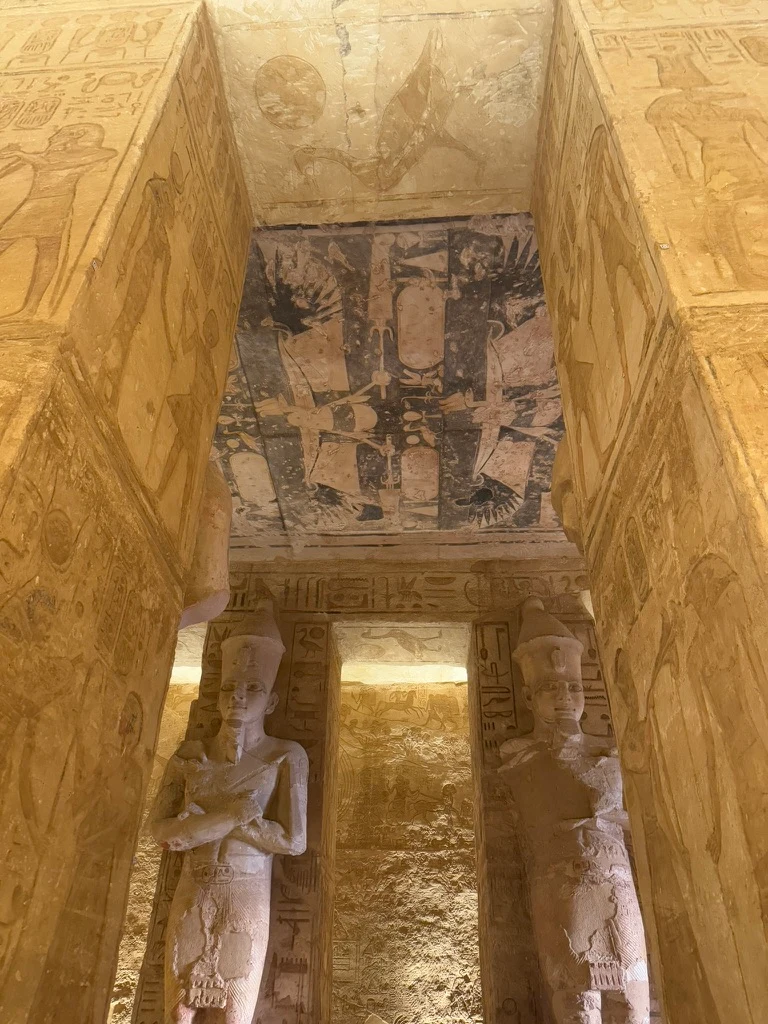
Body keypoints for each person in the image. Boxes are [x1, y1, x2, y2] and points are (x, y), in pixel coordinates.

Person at [151, 600, 308, 1023]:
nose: (236, 696)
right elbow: (159, 829)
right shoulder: (191, 755)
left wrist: (210, 825)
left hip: (245, 891)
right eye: (228, 688)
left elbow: (293, 841)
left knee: (233, 1012)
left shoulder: (285, 756)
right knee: (177, 1011)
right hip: (192, 888)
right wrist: (232, 818)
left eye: (252, 688)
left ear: (272, 701)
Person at [499, 599, 649, 1024]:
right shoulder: (519, 758)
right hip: (564, 887)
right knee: (578, 1004)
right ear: (529, 697)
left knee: (634, 1001)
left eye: (573, 688)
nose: (564, 697)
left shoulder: (609, 755)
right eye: (550, 688)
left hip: (619, 887)